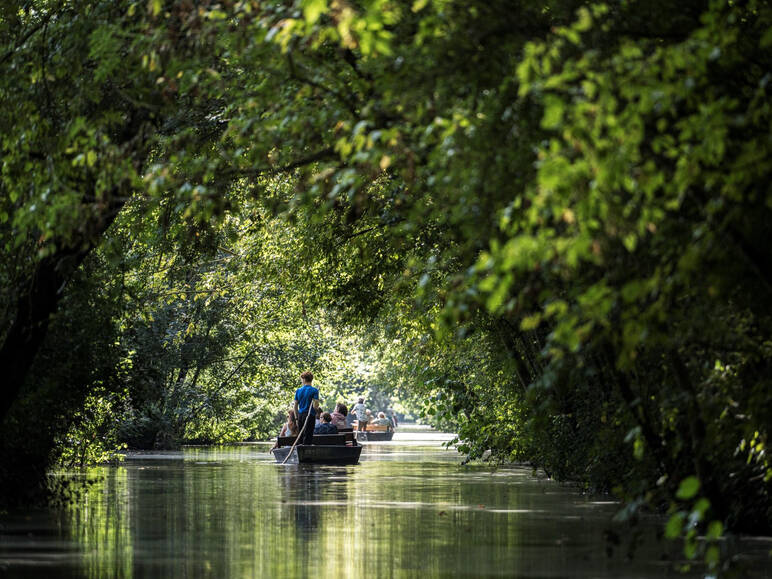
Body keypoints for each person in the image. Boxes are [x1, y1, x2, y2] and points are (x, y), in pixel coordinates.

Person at [294, 371, 319, 445]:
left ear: (304, 379)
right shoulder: (314, 390)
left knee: (300, 436)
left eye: (302, 379)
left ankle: (301, 452)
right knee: (308, 436)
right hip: (309, 415)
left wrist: (296, 418)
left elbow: (295, 406)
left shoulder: (298, 390)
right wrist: (317, 409)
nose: (301, 381)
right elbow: (315, 406)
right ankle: (306, 453)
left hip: (300, 415)